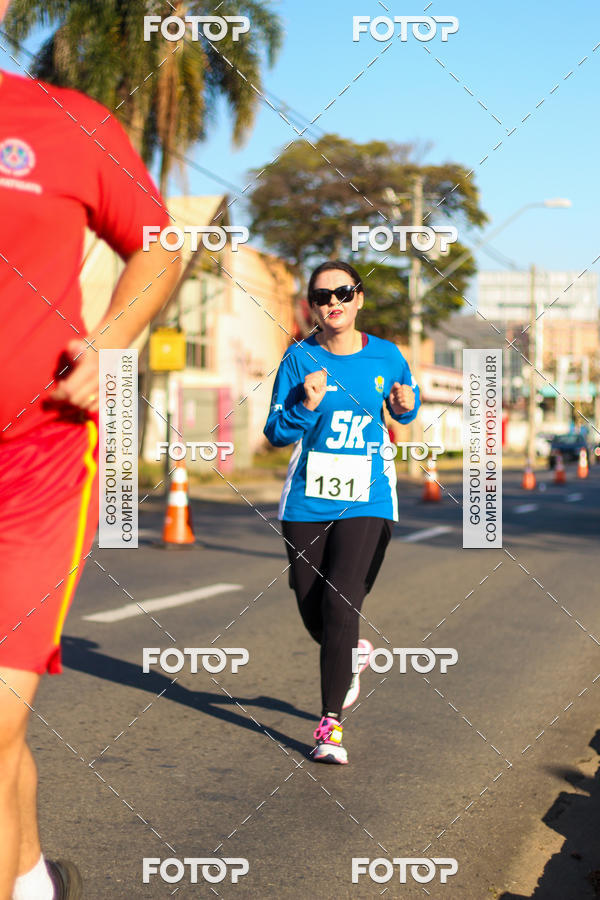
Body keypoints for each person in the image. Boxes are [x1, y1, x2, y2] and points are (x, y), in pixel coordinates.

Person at [0, 6, 181, 895]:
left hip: (30, 465)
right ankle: (35, 881)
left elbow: (157, 245)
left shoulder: (66, 123)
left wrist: (112, 341)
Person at [264, 260, 421, 764]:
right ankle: (351, 654)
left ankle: (329, 725)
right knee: (310, 601)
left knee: (340, 602)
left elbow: (404, 404)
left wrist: (405, 405)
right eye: (321, 296)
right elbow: (275, 433)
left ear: (358, 299)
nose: (332, 302)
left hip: (367, 497)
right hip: (307, 499)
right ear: (312, 306)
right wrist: (304, 407)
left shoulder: (387, 355)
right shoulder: (298, 360)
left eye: (342, 292)